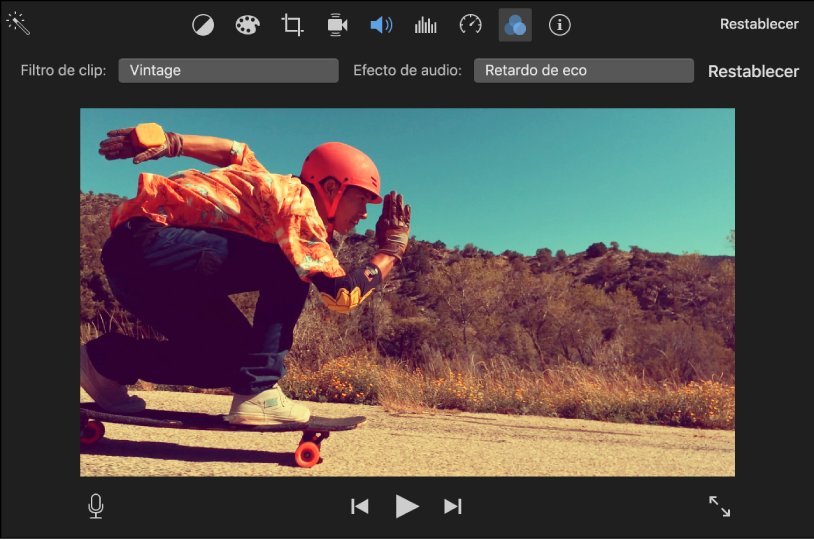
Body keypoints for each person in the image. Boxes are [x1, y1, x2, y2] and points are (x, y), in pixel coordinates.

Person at [80, 124, 411, 425]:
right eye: (361, 199)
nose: (366, 214)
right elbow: (341, 295)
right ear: (329, 187)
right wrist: (391, 251)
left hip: (135, 266)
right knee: (291, 263)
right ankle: (259, 391)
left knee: (230, 360)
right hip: (151, 246)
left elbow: (234, 151)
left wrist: (173, 142)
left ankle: (104, 362)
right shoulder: (299, 203)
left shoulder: (265, 185)